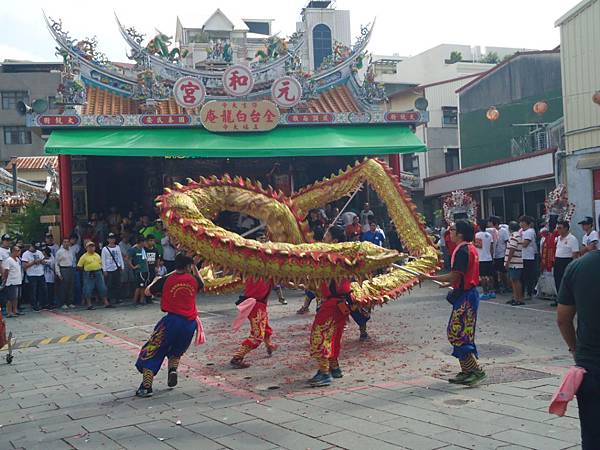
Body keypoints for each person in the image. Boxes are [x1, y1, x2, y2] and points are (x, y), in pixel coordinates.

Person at [420, 220, 486, 386]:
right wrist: (448, 283)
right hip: (466, 294)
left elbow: (455, 276)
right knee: (460, 333)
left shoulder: (464, 250)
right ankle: (466, 371)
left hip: (466, 297)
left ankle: (475, 371)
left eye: (453, 230)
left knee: (457, 333)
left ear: (461, 233)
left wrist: (430, 278)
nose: (450, 232)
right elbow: (461, 276)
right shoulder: (468, 248)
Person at [135, 254, 204, 397]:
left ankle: (146, 387)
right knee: (176, 350)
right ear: (188, 267)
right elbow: (202, 284)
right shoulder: (193, 280)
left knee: (153, 351)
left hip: (171, 322)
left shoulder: (166, 280)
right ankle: (172, 369)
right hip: (190, 324)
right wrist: (195, 268)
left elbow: (148, 292)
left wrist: (155, 280)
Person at [556, 246, 600, 449]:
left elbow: (563, 319)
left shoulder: (578, 267)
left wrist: (576, 351)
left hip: (591, 365)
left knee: (592, 437)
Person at [308, 226, 351, 387]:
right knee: (333, 337)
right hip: (339, 304)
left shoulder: (333, 258)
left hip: (332, 305)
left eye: (326, 235)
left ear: (334, 241)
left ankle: (324, 372)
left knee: (319, 336)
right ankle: (334, 368)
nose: (323, 237)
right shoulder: (342, 257)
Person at [230, 277, 277, 369]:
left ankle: (269, 345)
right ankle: (237, 357)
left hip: (260, 304)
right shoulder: (254, 270)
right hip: (255, 304)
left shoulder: (266, 271)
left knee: (265, 327)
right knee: (257, 335)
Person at [77, 241, 114, 310]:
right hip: (88, 273)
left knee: (102, 287)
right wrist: (86, 271)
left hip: (98, 272)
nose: (91, 248)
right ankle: (89, 304)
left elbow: (101, 263)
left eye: (92, 246)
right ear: (86, 248)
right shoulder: (84, 256)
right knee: (88, 288)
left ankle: (106, 303)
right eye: (89, 247)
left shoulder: (97, 255)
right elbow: (79, 266)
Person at [554, 220, 580, 300]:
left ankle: (568, 298)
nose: (558, 230)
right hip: (558, 260)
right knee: (557, 279)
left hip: (567, 261)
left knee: (566, 281)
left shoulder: (572, 239)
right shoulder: (558, 238)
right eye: (557, 228)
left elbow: (575, 254)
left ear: (566, 228)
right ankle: (560, 297)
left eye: (560, 228)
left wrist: (573, 266)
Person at [21, 242, 48, 311]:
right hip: (32, 274)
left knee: (43, 289)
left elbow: (43, 260)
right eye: (34, 248)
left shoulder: (39, 252)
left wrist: (42, 261)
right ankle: (34, 304)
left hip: (40, 273)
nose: (36, 250)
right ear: (31, 246)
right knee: (33, 290)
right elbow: (24, 266)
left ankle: (43, 303)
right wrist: (33, 262)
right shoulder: (25, 254)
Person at [504, 221, 525, 306]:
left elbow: (512, 249)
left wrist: (508, 261)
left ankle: (519, 298)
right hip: (515, 261)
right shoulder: (516, 236)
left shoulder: (514, 236)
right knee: (513, 280)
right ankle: (515, 297)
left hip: (515, 262)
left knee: (516, 280)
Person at [101, 233, 124, 305]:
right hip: (108, 269)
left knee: (117, 284)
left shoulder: (117, 247)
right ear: (108, 239)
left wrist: (122, 266)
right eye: (110, 238)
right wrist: (104, 270)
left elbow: (120, 257)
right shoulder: (105, 249)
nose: (112, 240)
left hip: (116, 267)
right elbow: (103, 259)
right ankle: (110, 298)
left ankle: (117, 298)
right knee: (109, 285)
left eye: (113, 238)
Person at [475, 220, 495, 300]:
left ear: (479, 226)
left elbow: (478, 245)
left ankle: (485, 292)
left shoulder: (478, 235)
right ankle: (492, 292)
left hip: (481, 258)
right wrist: (491, 256)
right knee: (490, 275)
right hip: (488, 257)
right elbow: (491, 247)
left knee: (483, 276)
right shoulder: (489, 235)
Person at [127, 235, 150, 306]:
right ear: (141, 242)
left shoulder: (143, 249)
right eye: (144, 242)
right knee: (138, 286)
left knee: (143, 286)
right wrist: (133, 267)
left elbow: (145, 259)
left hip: (145, 269)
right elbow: (127, 258)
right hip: (139, 271)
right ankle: (134, 301)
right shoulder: (133, 249)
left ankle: (142, 300)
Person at [519, 216, 537, 300]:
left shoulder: (529, 232)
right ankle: (521, 293)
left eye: (522, 222)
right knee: (522, 276)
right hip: (523, 256)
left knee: (528, 276)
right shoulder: (523, 231)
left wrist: (517, 243)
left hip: (529, 256)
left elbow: (525, 244)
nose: (520, 224)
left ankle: (529, 293)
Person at [489, 216, 509, 293]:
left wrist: (506, 254)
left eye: (490, 222)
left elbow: (507, 242)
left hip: (501, 254)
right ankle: (496, 287)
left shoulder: (503, 231)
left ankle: (506, 286)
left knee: (503, 272)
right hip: (494, 254)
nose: (489, 224)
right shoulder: (490, 231)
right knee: (494, 272)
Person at [2, 245, 23, 318]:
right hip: (11, 281)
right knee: (10, 298)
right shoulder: (9, 260)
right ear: (13, 251)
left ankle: (15, 310)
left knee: (15, 297)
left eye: (19, 251)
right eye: (17, 251)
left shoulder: (17, 259)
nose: (19, 252)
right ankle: (9, 312)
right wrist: (5, 279)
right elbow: (6, 271)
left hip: (17, 281)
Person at [55, 238, 76, 310]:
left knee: (71, 286)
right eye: (65, 242)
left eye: (67, 242)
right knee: (63, 287)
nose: (66, 243)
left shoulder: (71, 250)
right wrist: (59, 274)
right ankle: (63, 303)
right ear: (62, 243)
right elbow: (56, 263)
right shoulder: (59, 252)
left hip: (70, 268)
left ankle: (70, 302)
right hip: (63, 269)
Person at [42, 245, 56, 309]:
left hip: (50, 277)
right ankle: (45, 303)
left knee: (50, 291)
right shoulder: (42, 258)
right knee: (45, 292)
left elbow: (51, 263)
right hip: (44, 277)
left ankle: (50, 303)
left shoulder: (52, 258)